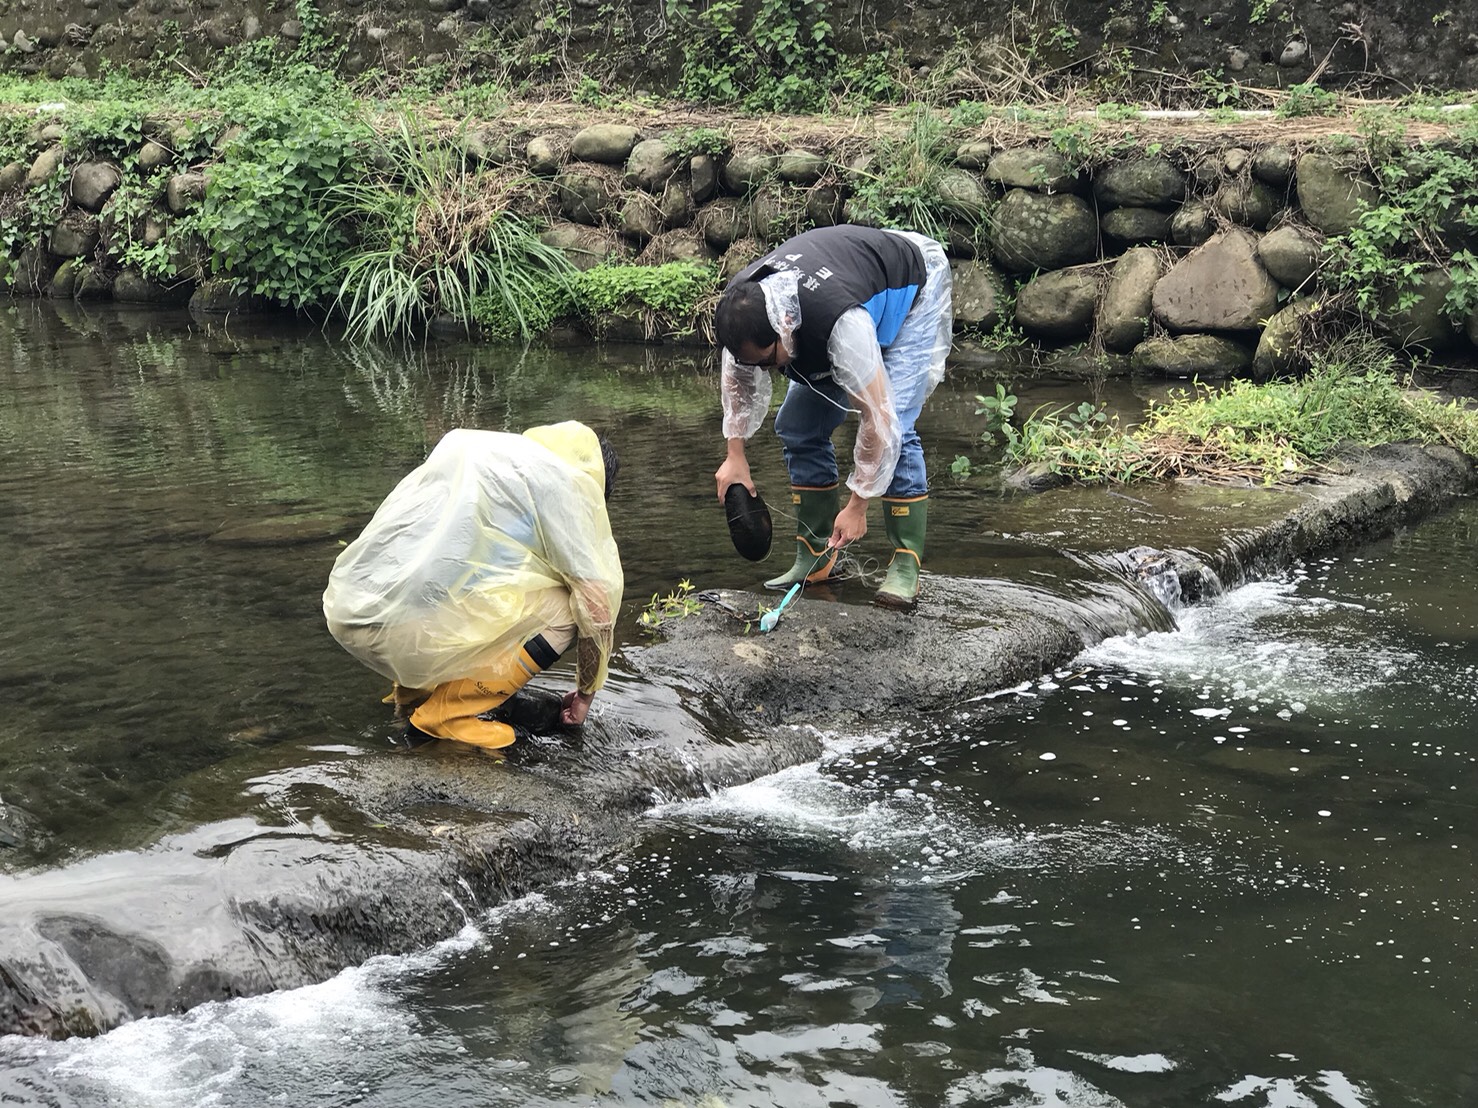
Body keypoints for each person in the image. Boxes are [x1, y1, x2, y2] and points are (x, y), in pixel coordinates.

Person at [322, 422, 624, 749]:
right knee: (571, 607)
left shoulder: (481, 458)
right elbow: (597, 610)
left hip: (351, 615)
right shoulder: (561, 487)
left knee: (482, 583)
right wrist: (584, 695)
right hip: (405, 635)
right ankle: (446, 716)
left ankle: (412, 693)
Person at [711, 224, 953, 609]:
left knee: (899, 428)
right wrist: (735, 455)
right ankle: (816, 554)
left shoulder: (840, 326)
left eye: (769, 361)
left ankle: (906, 564)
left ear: (784, 327)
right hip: (848, 280)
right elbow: (737, 380)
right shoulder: (744, 309)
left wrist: (857, 507)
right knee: (797, 425)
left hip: (909, 287)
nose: (766, 370)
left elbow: (880, 420)